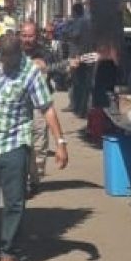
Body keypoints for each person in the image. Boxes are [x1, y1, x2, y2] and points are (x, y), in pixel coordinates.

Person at [0, 34, 69, 261]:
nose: (7, 64)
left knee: (14, 200)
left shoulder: (30, 73)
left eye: (12, 59)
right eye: (5, 59)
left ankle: (8, 251)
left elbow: (47, 108)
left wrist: (61, 142)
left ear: (19, 54)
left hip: (14, 142)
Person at [19, 22, 80, 195]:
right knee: (22, 143)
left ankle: (34, 179)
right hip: (18, 102)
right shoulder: (14, 51)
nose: (27, 39)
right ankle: (21, 179)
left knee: (39, 142)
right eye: (24, 35)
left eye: (30, 36)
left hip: (39, 103)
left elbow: (55, 71)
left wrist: (68, 66)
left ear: (36, 36)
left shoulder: (45, 53)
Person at [63, 3, 91, 117]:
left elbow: (74, 35)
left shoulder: (80, 22)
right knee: (82, 84)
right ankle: (80, 108)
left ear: (75, 12)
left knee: (76, 83)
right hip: (85, 55)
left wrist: (67, 30)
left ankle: (79, 108)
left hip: (78, 56)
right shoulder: (87, 21)